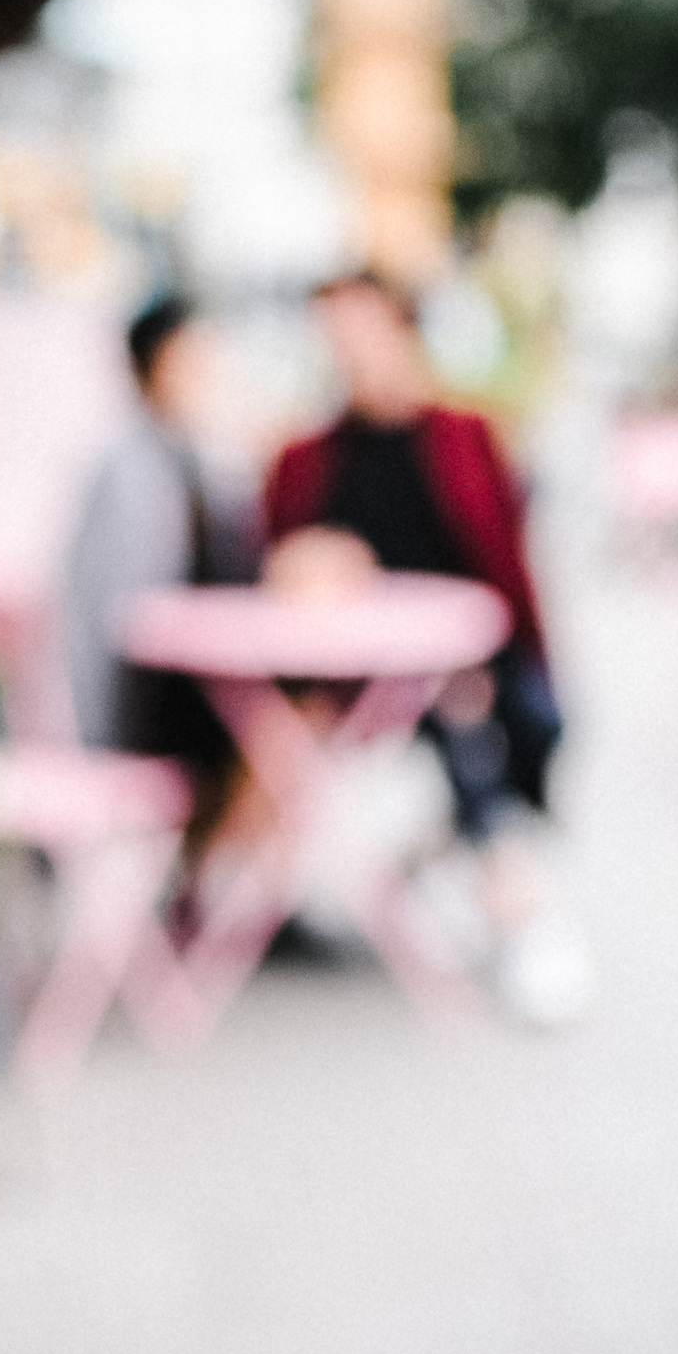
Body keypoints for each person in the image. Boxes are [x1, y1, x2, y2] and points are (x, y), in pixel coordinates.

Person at [264, 273, 587, 1020]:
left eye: (360, 330)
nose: (348, 350)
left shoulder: (461, 439)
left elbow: (505, 564)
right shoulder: (308, 457)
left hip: (469, 657)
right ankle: (521, 917)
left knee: (505, 724)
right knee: (470, 737)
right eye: (334, 335)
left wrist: (524, 655)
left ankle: (480, 887)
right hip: (355, 675)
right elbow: (276, 570)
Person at [62, 295, 256, 782]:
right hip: (153, 693)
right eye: (188, 357)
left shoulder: (206, 463)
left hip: (208, 672)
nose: (204, 372)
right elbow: (100, 611)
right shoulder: (123, 473)